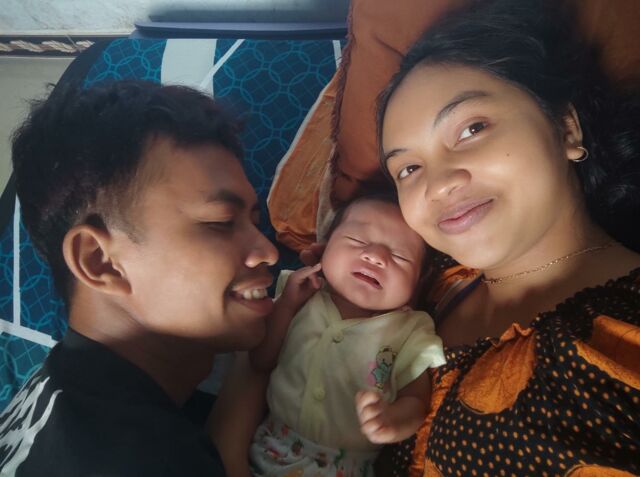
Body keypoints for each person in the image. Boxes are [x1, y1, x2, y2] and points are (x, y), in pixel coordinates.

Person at [373, 0, 640, 475]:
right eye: (408, 168)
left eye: (472, 129)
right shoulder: (433, 286)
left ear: (566, 128)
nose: (437, 185)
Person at [0, 80, 279, 476]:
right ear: (100, 261)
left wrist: (255, 368)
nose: (268, 251)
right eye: (220, 222)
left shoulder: (59, 391)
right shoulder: (145, 461)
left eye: (254, 220)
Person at [247, 195, 446, 476]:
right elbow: (260, 360)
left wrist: (393, 420)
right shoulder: (299, 295)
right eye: (356, 240)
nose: (375, 256)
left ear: (419, 281)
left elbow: (416, 400)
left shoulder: (410, 329)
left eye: (400, 256)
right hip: (269, 449)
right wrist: (287, 305)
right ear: (324, 247)